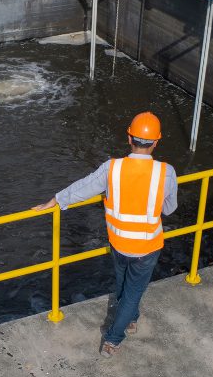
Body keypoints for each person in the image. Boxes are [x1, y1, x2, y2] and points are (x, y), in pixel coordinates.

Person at [33, 111, 178, 357]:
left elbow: (84, 187)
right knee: (133, 293)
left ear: (129, 138)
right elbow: (170, 208)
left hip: (118, 243)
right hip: (147, 247)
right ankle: (115, 336)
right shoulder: (166, 172)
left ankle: (125, 324)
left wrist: (56, 200)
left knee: (123, 286)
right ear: (156, 142)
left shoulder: (113, 168)